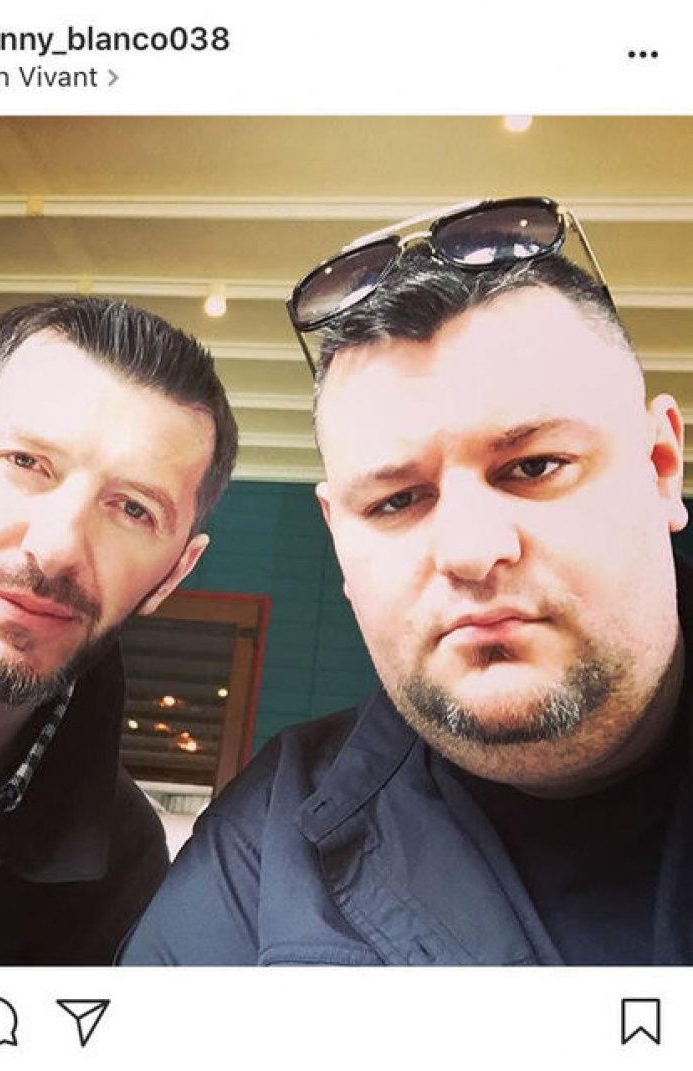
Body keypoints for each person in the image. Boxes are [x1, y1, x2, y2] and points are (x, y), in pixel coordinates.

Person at [121, 197, 692, 966]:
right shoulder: (253, 869)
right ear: (340, 538)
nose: (469, 551)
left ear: (660, 468)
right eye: (396, 501)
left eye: (533, 466)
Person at [0, 296, 238, 964]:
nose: (56, 549)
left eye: (133, 509)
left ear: (172, 573)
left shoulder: (125, 875)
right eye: (25, 462)